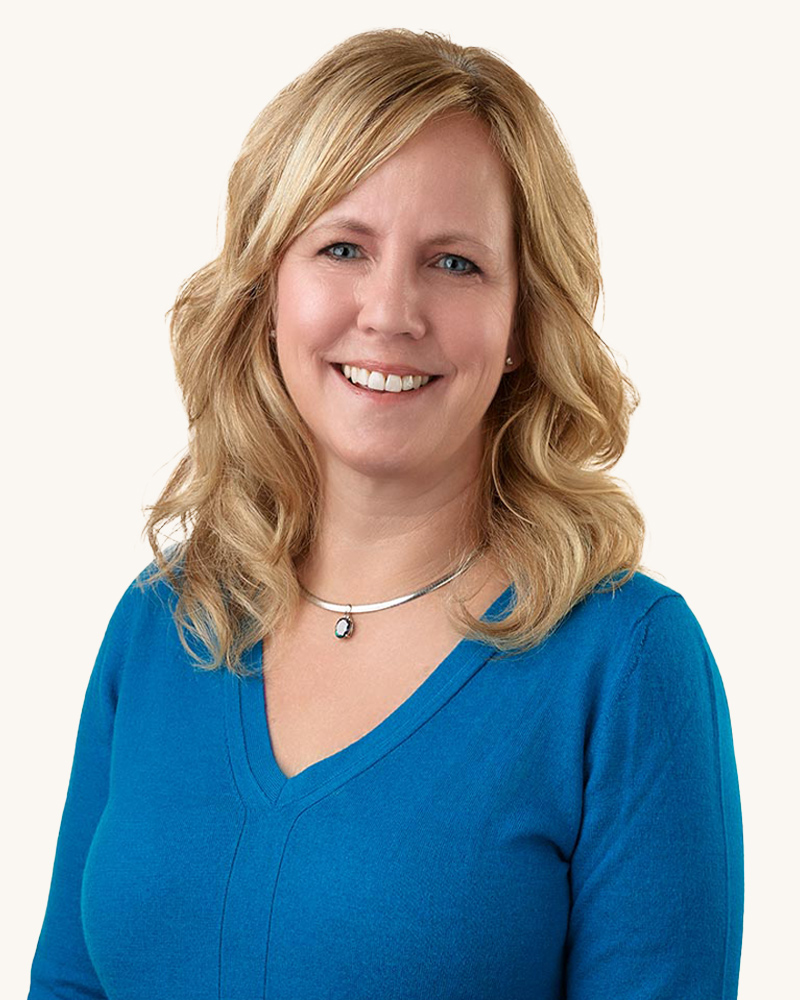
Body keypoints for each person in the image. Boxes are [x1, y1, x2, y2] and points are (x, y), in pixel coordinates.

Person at [28, 27, 744, 1000]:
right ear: (267, 291)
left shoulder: (622, 662)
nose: (390, 309)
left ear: (523, 323)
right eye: (341, 247)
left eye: (453, 263)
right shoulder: (163, 622)